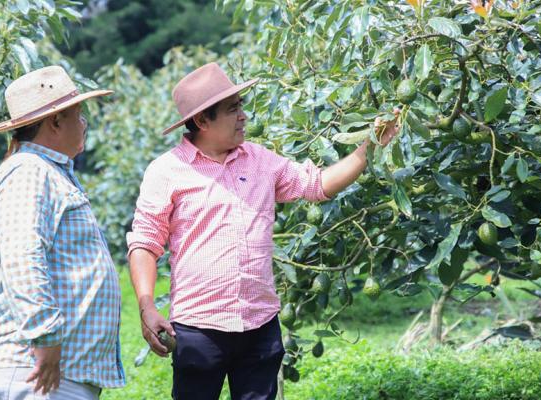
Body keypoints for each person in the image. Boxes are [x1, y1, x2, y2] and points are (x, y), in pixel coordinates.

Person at [126, 62, 398, 400]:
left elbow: (316, 185)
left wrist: (369, 146)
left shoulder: (259, 160)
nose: (243, 116)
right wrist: (146, 306)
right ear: (202, 121)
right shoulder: (167, 171)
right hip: (199, 327)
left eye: (240, 106)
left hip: (260, 324)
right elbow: (145, 243)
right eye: (232, 109)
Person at [0, 66, 125, 399]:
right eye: (78, 114)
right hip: (37, 371)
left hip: (58, 373)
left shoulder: (47, 171)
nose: (84, 123)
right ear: (56, 122)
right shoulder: (28, 172)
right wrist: (44, 336)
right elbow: (22, 256)